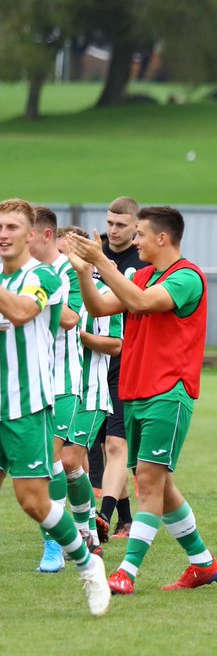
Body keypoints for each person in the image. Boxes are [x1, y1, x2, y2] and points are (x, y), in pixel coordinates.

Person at [69, 206, 217, 596]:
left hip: (168, 394)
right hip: (135, 393)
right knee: (160, 485)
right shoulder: (141, 275)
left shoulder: (187, 277)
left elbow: (139, 303)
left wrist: (101, 259)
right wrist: (86, 272)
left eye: (139, 234)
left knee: (149, 484)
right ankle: (203, 564)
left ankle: (127, 573)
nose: (133, 241)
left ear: (162, 239)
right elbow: (99, 307)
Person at [0, 200, 110, 616]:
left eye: (12, 226)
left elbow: (23, 312)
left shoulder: (45, 276)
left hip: (25, 405)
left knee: (33, 500)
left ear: (31, 234)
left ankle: (87, 563)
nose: (4, 233)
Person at [56, 226, 122, 567]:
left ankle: (80, 532)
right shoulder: (50, 288)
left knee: (69, 461)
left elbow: (116, 344)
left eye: (68, 251)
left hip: (90, 390)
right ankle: (85, 530)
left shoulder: (99, 291)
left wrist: (80, 337)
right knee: (66, 465)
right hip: (55, 389)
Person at [25, 208, 85, 571]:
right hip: (25, 381)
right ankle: (84, 527)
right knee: (58, 466)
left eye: (25, 235)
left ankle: (54, 547)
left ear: (46, 235)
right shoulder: (19, 271)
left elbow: (71, 317)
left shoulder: (69, 271)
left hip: (63, 380)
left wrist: (32, 301)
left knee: (52, 461)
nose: (16, 242)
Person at [93, 196, 147, 540]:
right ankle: (126, 520)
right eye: (110, 223)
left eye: (121, 225)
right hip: (93, 360)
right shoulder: (93, 252)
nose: (113, 231)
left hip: (127, 360)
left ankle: (103, 518)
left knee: (116, 447)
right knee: (101, 448)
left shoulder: (143, 260)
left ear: (136, 227)